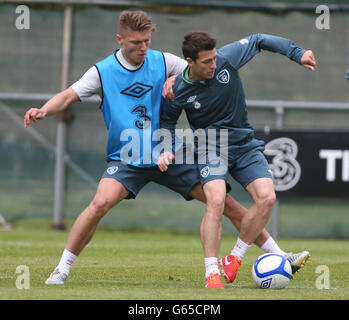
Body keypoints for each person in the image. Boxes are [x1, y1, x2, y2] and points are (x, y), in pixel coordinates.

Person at [159, 31, 314, 288]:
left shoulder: (226, 60)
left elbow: (258, 39)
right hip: (211, 146)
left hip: (244, 144)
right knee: (217, 200)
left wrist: (297, 53)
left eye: (214, 59)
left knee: (267, 197)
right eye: (207, 62)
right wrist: (165, 148)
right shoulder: (178, 89)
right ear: (190, 61)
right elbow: (166, 122)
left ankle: (234, 258)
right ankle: (211, 273)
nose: (214, 65)